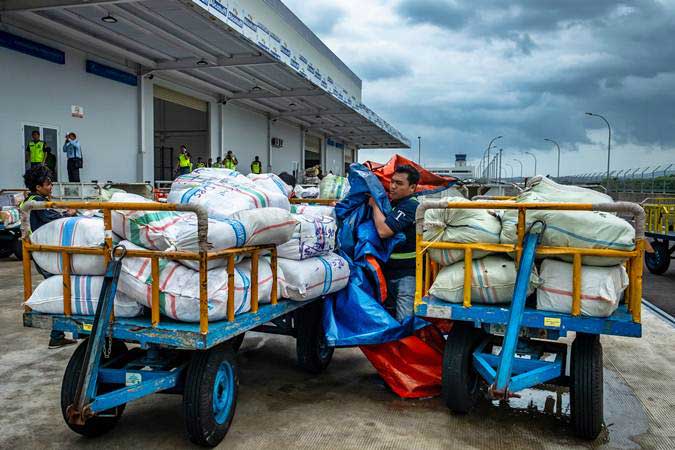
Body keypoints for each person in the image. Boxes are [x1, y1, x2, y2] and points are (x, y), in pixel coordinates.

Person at [22, 165, 77, 348]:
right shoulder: (36, 202)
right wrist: (67, 214)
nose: (51, 185)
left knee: (61, 287)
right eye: (47, 183)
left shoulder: (35, 199)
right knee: (61, 288)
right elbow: (51, 218)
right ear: (38, 186)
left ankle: (57, 335)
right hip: (43, 254)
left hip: (43, 252)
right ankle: (56, 336)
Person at [368, 164, 420, 322]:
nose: (393, 186)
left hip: (406, 276)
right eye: (392, 182)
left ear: (412, 187)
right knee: (391, 319)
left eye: (399, 183)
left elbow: (384, 231)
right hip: (390, 273)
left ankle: (409, 346)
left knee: (404, 321)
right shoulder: (394, 205)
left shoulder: (411, 206)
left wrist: (374, 205)